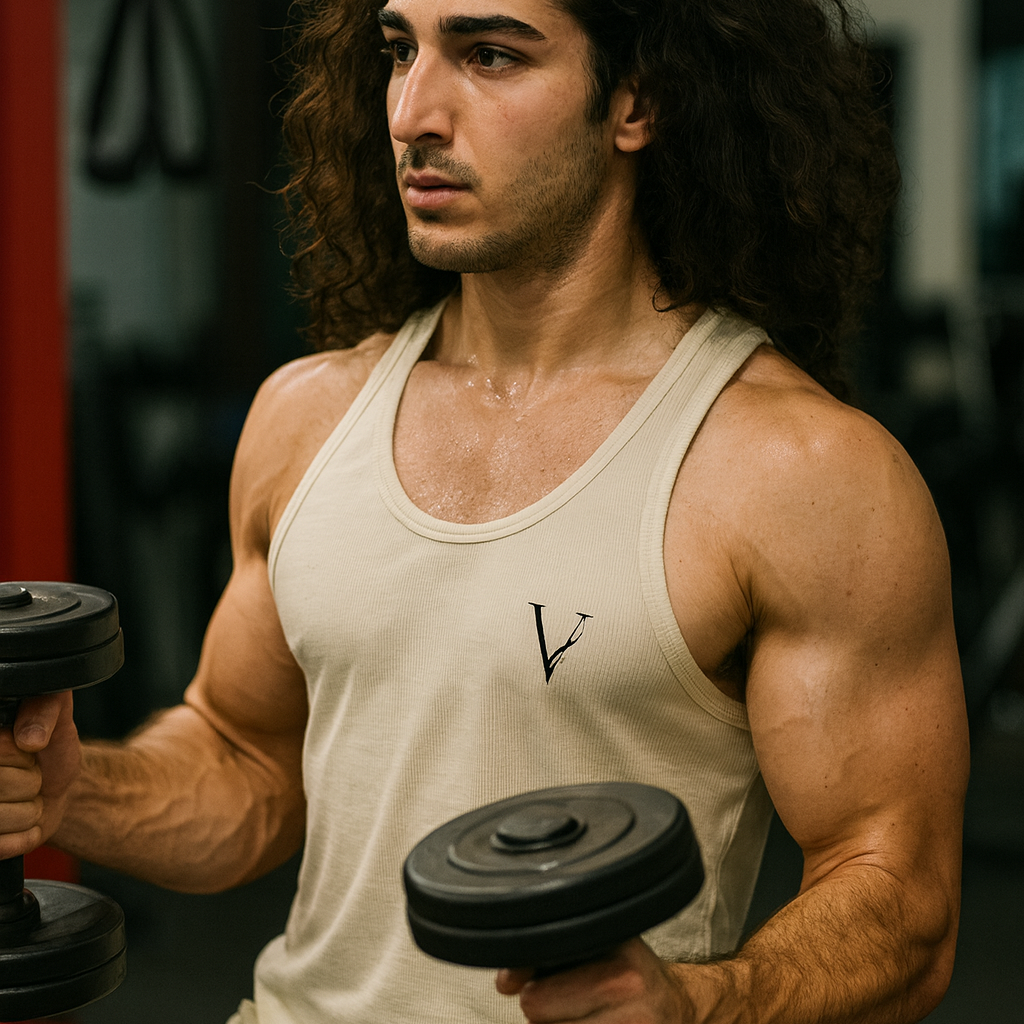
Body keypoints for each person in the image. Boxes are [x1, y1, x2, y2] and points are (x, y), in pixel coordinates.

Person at [0, 0, 969, 1021]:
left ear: (637, 99)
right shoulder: (307, 414)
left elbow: (898, 893)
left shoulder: (793, 469)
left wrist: (699, 1004)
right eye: (397, 52)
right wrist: (71, 789)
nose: (414, 110)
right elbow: (246, 769)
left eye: (490, 54)